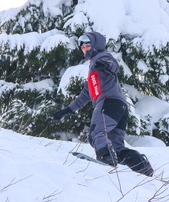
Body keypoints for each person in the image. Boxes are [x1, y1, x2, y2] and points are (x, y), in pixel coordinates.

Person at [53, 31, 154, 177]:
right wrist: (68, 110)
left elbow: (114, 65)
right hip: (119, 108)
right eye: (83, 48)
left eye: (87, 46)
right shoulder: (94, 71)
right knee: (116, 146)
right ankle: (141, 165)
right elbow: (85, 95)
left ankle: (105, 158)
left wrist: (105, 64)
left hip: (109, 103)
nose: (85, 50)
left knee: (96, 133)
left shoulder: (101, 57)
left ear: (94, 45)